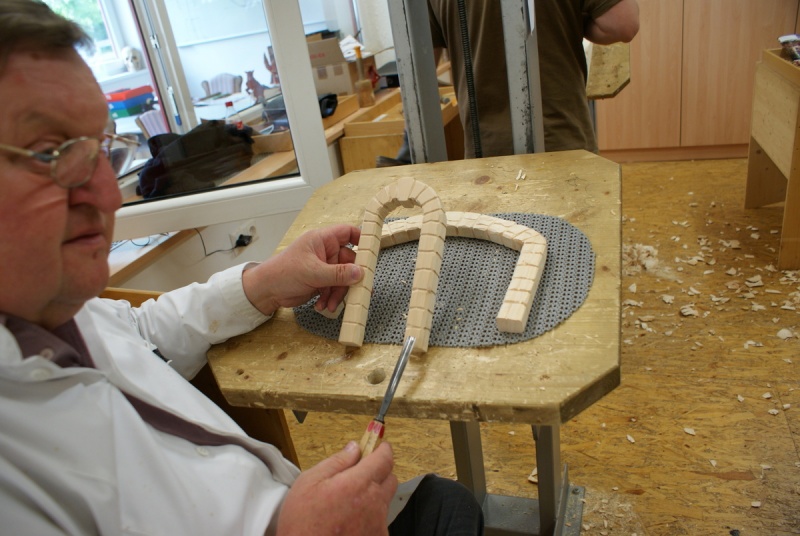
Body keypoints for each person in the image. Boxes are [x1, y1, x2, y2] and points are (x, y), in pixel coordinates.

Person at [0, 1, 483, 534]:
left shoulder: (52, 307)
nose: (108, 196)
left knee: (449, 505)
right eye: (50, 153)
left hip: (280, 498)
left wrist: (263, 285)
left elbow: (140, 336)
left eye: (101, 152)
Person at [426, 0, 640, 157]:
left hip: (486, 150)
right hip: (560, 140)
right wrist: (576, 23)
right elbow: (623, 24)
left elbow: (422, 65)